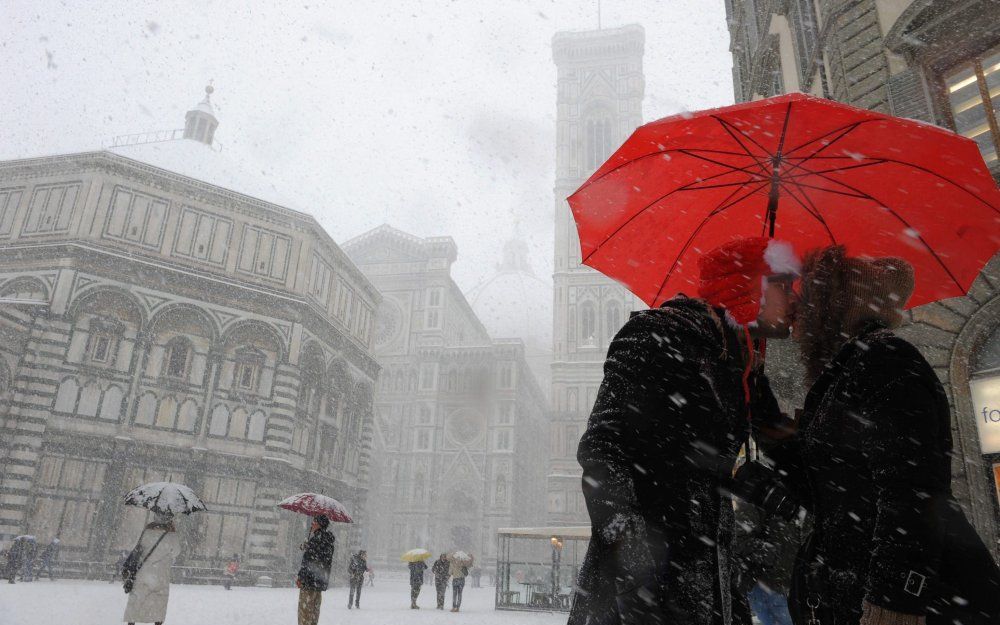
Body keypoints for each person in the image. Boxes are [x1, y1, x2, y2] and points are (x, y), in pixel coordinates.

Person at [755, 245, 1000, 625]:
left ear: (836, 307)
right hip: (852, 596)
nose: (795, 308)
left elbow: (911, 494)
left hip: (907, 606)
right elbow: (825, 490)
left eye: (809, 297)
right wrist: (761, 410)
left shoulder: (885, 363)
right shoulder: (846, 372)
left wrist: (895, 604)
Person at [569, 237, 800, 625]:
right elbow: (602, 451)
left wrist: (742, 477)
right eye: (785, 287)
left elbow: (772, 438)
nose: (795, 301)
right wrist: (635, 561)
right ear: (751, 289)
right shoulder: (657, 337)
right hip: (646, 586)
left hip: (708, 579)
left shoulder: (741, 363)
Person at [123, 512, 181, 625]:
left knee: (138, 599)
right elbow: (176, 552)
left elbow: (137, 548)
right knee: (158, 601)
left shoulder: (147, 531)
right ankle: (157, 622)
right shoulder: (171, 535)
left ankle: (131, 622)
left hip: (143, 572)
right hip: (160, 575)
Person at [296, 515, 335, 625]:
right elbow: (323, 560)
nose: (312, 524)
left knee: (304, 614)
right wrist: (309, 546)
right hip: (319, 582)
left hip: (308, 582)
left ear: (319, 524)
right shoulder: (329, 541)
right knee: (314, 613)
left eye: (314, 522)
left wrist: (300, 577)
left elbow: (308, 562)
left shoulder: (316, 540)